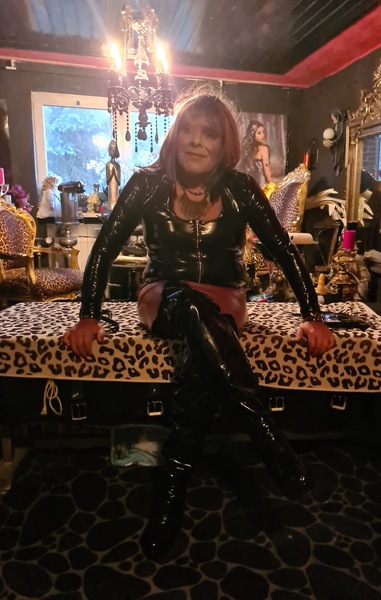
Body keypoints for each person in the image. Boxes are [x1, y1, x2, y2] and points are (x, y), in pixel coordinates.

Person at [62, 89, 335, 561]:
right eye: (188, 129)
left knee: (198, 367)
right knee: (190, 308)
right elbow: (104, 249)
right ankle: (265, 432)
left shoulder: (240, 187)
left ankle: (171, 489)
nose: (196, 140)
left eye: (209, 133)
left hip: (227, 299)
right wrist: (89, 315)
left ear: (224, 142)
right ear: (175, 135)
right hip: (162, 294)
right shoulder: (146, 183)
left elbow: (284, 249)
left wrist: (313, 315)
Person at [240, 119, 272, 186]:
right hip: (261, 185)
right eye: (259, 133)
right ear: (253, 135)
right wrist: (273, 186)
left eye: (263, 132)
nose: (262, 135)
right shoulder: (264, 149)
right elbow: (267, 174)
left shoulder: (248, 151)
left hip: (251, 185)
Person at [106, 138, 121, 210]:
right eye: (111, 149)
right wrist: (111, 173)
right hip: (110, 185)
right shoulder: (108, 164)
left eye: (113, 149)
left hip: (115, 185)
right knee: (111, 197)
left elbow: (119, 180)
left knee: (115, 197)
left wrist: (115, 173)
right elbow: (107, 180)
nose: (112, 151)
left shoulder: (117, 165)